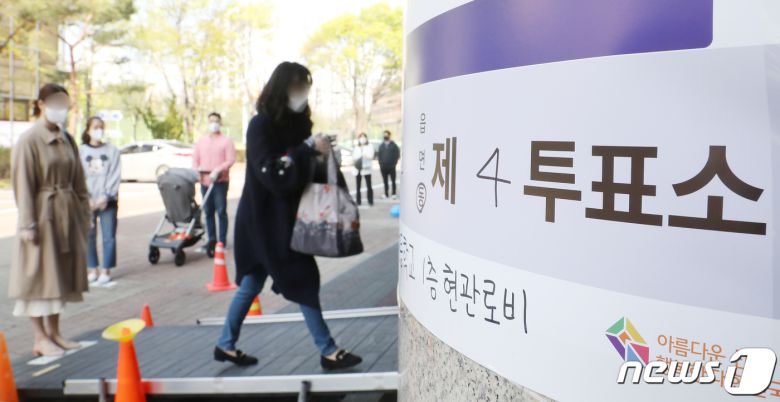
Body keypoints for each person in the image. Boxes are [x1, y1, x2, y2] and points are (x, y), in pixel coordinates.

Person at [214, 61, 362, 370]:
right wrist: (307, 149)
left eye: (305, 87)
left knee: (252, 283)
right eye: (297, 86)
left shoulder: (299, 124)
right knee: (302, 279)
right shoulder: (260, 125)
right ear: (282, 88)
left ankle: (225, 345)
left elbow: (301, 170)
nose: (302, 93)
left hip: (288, 219)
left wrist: (319, 152)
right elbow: (272, 173)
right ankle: (328, 350)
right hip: (264, 221)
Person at [9, 83, 91, 356]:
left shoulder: (67, 138)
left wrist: (84, 213)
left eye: (65, 104)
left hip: (66, 215)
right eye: (56, 102)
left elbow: (79, 180)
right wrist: (27, 224)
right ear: (41, 104)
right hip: (43, 216)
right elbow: (23, 184)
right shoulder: (29, 140)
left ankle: (55, 333)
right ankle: (39, 337)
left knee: (59, 277)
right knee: (38, 278)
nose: (61, 109)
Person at [80, 116, 121, 286]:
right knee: (88, 236)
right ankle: (93, 269)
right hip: (87, 202)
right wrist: (87, 198)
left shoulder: (112, 150)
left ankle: (106, 270)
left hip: (107, 202)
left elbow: (115, 174)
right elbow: (78, 176)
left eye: (101, 127)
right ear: (88, 129)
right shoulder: (81, 151)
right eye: (95, 127)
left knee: (108, 236)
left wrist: (106, 195)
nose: (99, 130)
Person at [193, 112, 236, 254]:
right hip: (205, 181)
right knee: (208, 212)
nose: (214, 123)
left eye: (216, 121)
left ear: (220, 122)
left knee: (221, 211)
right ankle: (211, 241)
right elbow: (195, 159)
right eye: (211, 121)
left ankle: (221, 242)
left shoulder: (226, 141)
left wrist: (218, 170)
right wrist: (196, 170)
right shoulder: (202, 141)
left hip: (219, 182)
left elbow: (230, 159)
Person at [352, 132, 374, 206]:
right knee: (358, 186)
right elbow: (354, 156)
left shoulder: (369, 146)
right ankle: (358, 201)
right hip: (358, 168)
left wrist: (364, 155)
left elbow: (371, 156)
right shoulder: (357, 147)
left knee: (368, 185)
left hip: (366, 168)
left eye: (364, 137)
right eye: (361, 137)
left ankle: (370, 200)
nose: (362, 138)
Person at [378, 130, 400, 199]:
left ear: (389, 135)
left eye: (387, 135)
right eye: (384, 135)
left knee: (393, 180)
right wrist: (380, 163)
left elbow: (397, 154)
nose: (385, 136)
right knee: (385, 181)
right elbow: (379, 155)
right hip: (383, 166)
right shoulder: (381, 145)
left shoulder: (394, 145)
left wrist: (394, 163)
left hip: (391, 166)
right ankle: (386, 193)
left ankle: (393, 193)